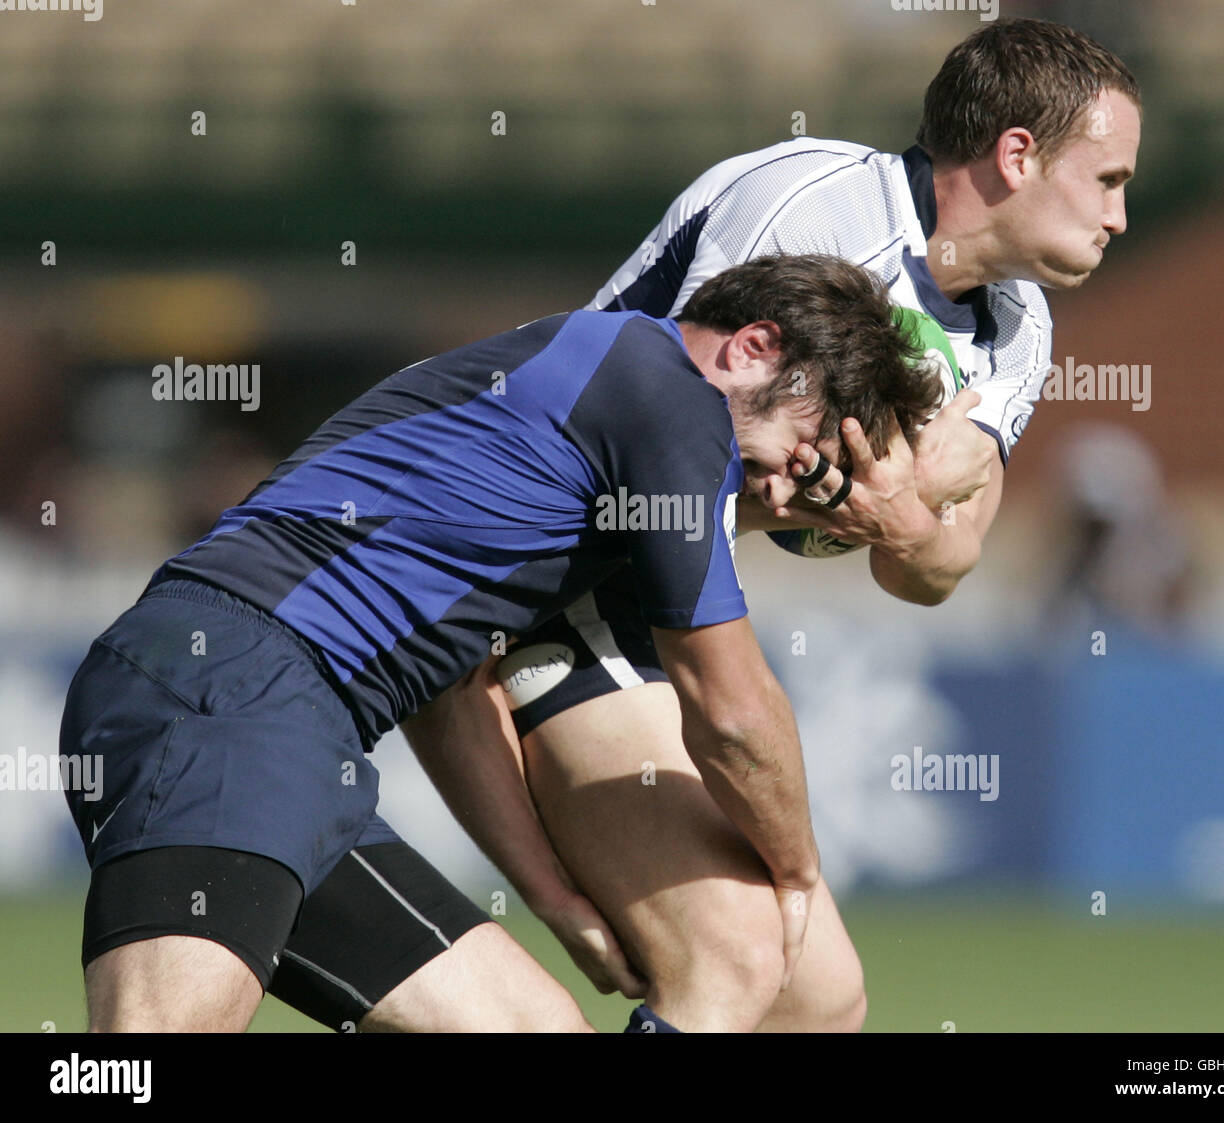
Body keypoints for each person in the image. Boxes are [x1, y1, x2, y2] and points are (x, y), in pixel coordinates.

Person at [398, 17, 1143, 1033]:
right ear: (1018, 154)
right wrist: (913, 485)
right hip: (560, 571)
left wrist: (899, 513)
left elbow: (940, 566)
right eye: (1107, 181)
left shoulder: (1021, 330)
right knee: (739, 958)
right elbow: (684, 430)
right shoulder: (812, 200)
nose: (1120, 216)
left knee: (822, 998)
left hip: (661, 598)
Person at [60, 254, 938, 1032]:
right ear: (752, 346)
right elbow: (733, 712)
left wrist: (551, 895)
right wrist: (798, 874)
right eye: (802, 446)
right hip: (234, 692)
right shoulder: (669, 392)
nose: (788, 494)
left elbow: (448, 693)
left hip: (296, 740)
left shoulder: (569, 412)